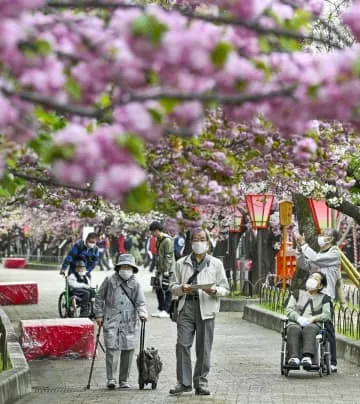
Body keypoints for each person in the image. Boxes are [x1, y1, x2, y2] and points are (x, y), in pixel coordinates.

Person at [169, 228, 229, 396]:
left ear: (208, 243)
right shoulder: (181, 263)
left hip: (206, 307)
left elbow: (225, 288)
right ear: (190, 243)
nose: (199, 242)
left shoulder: (216, 263)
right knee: (182, 344)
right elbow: (172, 287)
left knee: (204, 348)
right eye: (195, 239)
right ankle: (183, 382)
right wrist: (181, 288)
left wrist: (215, 291)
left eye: (202, 239)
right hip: (186, 306)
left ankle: (201, 382)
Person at [94, 254, 147, 390]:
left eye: (128, 267)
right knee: (112, 349)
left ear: (133, 269)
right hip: (111, 319)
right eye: (123, 266)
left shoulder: (135, 283)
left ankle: (124, 379)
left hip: (129, 320)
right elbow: (99, 297)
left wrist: (143, 313)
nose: (126, 269)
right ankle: (111, 379)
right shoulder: (109, 280)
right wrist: (99, 314)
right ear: (118, 268)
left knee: (128, 350)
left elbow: (141, 302)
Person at [295, 228, 345, 372]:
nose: (321, 237)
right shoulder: (319, 254)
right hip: (312, 296)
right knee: (307, 325)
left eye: (324, 235)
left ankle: (332, 362)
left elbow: (315, 259)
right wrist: (299, 249)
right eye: (321, 234)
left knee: (327, 328)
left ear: (331, 239)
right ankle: (308, 356)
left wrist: (304, 245)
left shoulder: (334, 253)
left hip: (326, 297)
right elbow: (304, 264)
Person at [285, 272, 332, 369]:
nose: (312, 279)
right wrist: (298, 318)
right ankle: (294, 358)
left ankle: (307, 357)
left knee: (309, 328)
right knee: (293, 328)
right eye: (311, 277)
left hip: (313, 324)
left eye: (316, 279)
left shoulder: (324, 298)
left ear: (321, 285)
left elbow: (327, 315)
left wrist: (313, 318)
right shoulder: (297, 293)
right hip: (296, 322)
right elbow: (289, 310)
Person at [149, 221, 175, 318]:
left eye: (152, 231)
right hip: (160, 268)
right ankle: (160, 308)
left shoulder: (167, 240)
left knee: (168, 289)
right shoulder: (158, 240)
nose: (152, 234)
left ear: (157, 230)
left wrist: (167, 271)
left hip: (167, 269)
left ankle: (166, 310)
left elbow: (168, 256)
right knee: (158, 288)